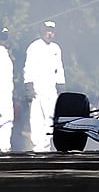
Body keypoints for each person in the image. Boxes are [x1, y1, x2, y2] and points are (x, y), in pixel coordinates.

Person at [23, 20, 66, 152]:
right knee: (36, 120)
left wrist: (61, 86)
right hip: (37, 90)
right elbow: (28, 68)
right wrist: (29, 87)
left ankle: (47, 147)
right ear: (42, 31)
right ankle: (38, 147)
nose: (50, 33)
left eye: (52, 31)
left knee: (50, 119)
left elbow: (59, 68)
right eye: (47, 30)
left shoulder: (56, 48)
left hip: (51, 91)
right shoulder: (34, 47)